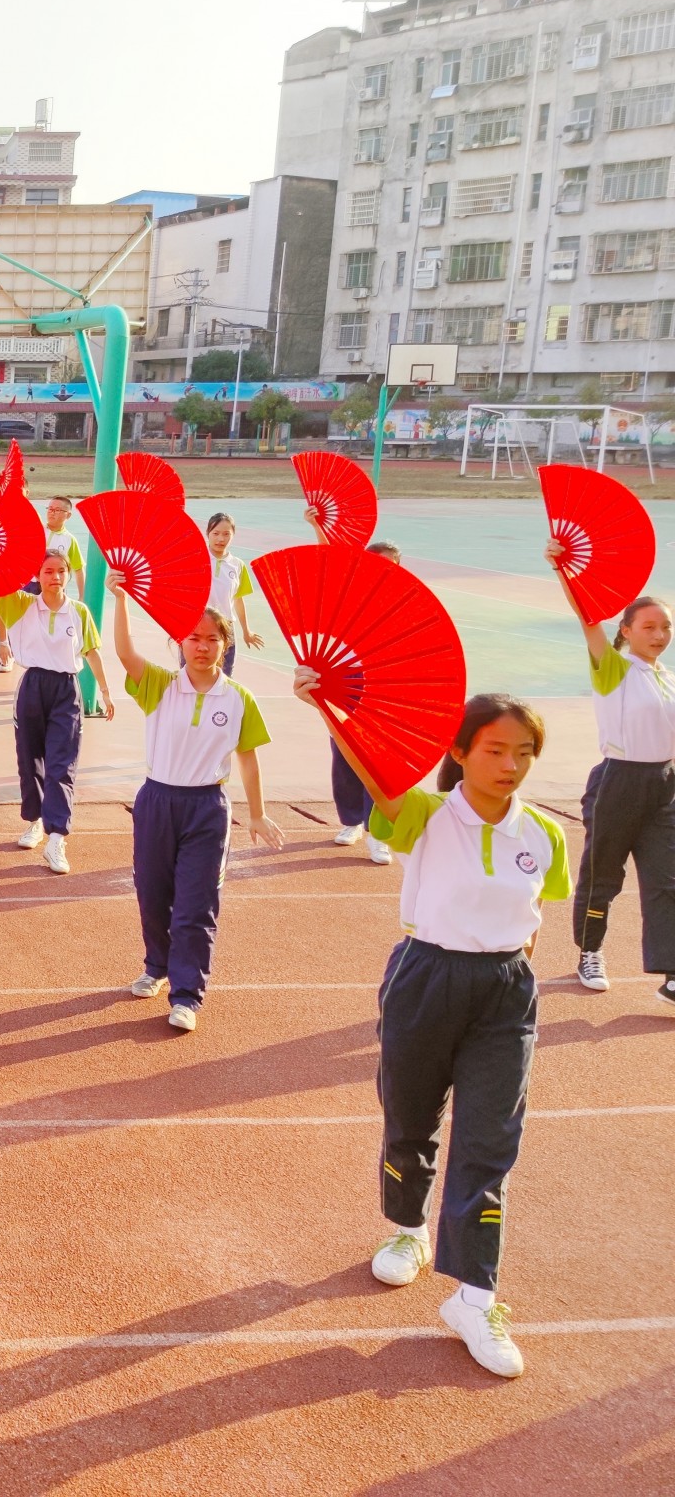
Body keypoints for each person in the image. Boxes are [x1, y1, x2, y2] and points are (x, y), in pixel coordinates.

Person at [305, 686, 567, 1378]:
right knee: (411, 1115)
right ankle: (409, 1229)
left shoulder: (545, 834)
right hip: (426, 977)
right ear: (459, 751)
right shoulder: (425, 815)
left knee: (489, 1140)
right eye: (495, 749)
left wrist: (509, 977)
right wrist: (328, 708)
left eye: (525, 752)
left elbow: (536, 914)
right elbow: (377, 779)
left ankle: (476, 1297)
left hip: (505, 993)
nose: (511, 764)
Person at [110, 583, 282, 1031]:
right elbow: (125, 653)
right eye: (193, 637)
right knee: (152, 894)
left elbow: (249, 757)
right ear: (178, 643)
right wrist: (121, 600)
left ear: (226, 645)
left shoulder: (239, 698)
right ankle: (156, 965)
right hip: (156, 801)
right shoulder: (161, 686)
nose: (202, 646)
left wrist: (258, 812)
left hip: (207, 807)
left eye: (211, 639)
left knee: (195, 905)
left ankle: (186, 995)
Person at [542, 550, 675, 1001]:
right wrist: (564, 570)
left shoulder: (667, 678)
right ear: (626, 630)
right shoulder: (615, 669)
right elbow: (585, 620)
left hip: (664, 784)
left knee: (666, 876)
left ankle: (672, 971)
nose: (659, 635)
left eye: (666, 627)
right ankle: (590, 952)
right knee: (604, 874)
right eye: (649, 627)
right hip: (618, 781)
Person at [0, 551, 115, 868]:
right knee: (29, 758)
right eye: (48, 571)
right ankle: (35, 821)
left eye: (61, 571)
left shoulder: (78, 612)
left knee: (63, 763)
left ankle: (57, 839)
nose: (56, 577)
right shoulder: (21, 604)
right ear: (37, 575)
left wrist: (105, 691)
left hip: (66, 690)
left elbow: (91, 653)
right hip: (32, 685)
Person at [305, 521, 404, 863]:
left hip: (383, 684)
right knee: (344, 751)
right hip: (345, 680)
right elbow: (329, 563)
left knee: (377, 758)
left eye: (390, 565)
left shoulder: (404, 602)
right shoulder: (348, 593)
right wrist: (318, 526)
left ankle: (378, 832)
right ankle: (351, 822)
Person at [199, 512, 262, 675]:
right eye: (216, 533)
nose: (221, 539)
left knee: (225, 678)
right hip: (197, 627)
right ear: (208, 534)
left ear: (233, 535)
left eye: (226, 534)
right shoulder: (196, 559)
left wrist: (246, 631)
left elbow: (238, 600)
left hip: (225, 629)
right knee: (194, 676)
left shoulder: (237, 565)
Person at [43, 495, 87, 601]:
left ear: (68, 515)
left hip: (54, 587)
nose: (52, 512)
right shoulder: (36, 530)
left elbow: (79, 569)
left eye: (57, 510)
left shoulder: (69, 540)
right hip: (31, 585)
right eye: (50, 509)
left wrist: (82, 596)